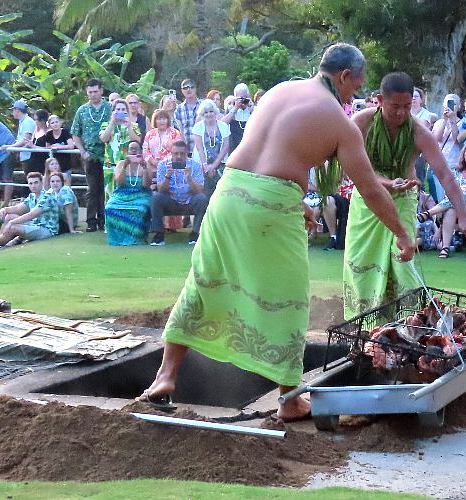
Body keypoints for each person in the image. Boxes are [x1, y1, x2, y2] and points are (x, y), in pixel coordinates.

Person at [136, 43, 416, 422]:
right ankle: (290, 399)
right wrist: (401, 233)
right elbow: (368, 187)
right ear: (344, 76)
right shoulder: (338, 120)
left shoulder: (280, 91)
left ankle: (165, 377)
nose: (356, 94)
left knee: (203, 280)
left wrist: (295, 198)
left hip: (229, 192)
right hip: (270, 203)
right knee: (291, 297)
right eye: (356, 84)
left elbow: (268, 152)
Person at [346, 71, 466, 315]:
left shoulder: (418, 131)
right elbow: (354, 169)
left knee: (402, 257)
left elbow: (445, 174)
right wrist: (386, 182)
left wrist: (464, 215)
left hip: (403, 199)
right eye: (395, 106)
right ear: (379, 101)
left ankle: (409, 324)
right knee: (361, 262)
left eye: (407, 106)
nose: (401, 113)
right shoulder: (360, 124)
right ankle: (362, 324)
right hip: (367, 198)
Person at [417, 145, 466, 258]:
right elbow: (448, 192)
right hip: (453, 205)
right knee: (451, 210)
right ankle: (445, 248)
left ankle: (429, 213)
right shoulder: (456, 173)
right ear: (463, 157)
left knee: (461, 195)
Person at [0, 172, 59, 255]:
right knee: (9, 217)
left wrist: (12, 223)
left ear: (41, 183)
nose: (33, 186)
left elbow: (31, 215)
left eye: (36, 182)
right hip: (35, 225)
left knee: (13, 227)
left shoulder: (47, 197)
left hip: (47, 230)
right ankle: (0, 244)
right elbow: (19, 208)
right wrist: (5, 209)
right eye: (30, 183)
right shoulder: (32, 196)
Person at [72, 78, 112, 232]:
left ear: (101, 91)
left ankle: (104, 219)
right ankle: (91, 221)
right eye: (90, 92)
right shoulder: (82, 110)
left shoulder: (109, 108)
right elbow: (75, 133)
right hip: (90, 156)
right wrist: (82, 151)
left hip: (108, 155)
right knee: (92, 188)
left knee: (106, 188)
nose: (93, 95)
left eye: (96, 91)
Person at [148, 141, 207, 246]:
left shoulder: (195, 165)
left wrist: (189, 178)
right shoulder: (163, 165)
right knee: (156, 197)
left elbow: (199, 190)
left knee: (201, 198)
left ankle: (196, 232)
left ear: (187, 153)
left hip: (189, 201)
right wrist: (168, 176)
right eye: (176, 153)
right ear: (171, 153)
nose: (179, 156)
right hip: (171, 201)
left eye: (182, 154)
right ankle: (159, 234)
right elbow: (160, 189)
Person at [105, 141, 152, 246]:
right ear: (127, 151)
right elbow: (120, 183)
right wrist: (125, 167)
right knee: (110, 207)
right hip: (122, 193)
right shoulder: (121, 163)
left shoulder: (146, 164)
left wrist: (144, 168)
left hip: (141, 193)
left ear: (141, 151)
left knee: (140, 209)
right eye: (131, 148)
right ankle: (116, 239)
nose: (134, 150)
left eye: (136, 148)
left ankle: (137, 237)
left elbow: (146, 185)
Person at [100, 98, 141, 205]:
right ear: (113, 111)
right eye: (118, 109)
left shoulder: (134, 125)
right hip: (110, 165)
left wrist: (129, 126)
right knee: (110, 195)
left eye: (123, 109)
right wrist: (112, 123)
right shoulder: (106, 125)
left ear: (127, 111)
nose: (120, 111)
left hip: (127, 165)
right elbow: (104, 138)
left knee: (127, 193)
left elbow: (137, 140)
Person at [192, 100, 230, 195]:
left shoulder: (224, 126)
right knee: (204, 193)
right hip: (202, 165)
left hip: (220, 165)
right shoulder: (197, 127)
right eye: (206, 112)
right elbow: (199, 148)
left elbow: (226, 147)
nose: (209, 114)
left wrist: (214, 166)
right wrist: (205, 166)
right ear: (202, 114)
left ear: (215, 112)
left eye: (211, 111)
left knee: (221, 192)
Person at [143, 109, 183, 178]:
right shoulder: (149, 134)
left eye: (164, 119)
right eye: (159, 119)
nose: (162, 121)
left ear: (168, 120)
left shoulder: (175, 133)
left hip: (171, 167)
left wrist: (164, 163)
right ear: (155, 121)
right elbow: (145, 150)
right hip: (153, 168)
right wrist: (153, 161)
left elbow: (179, 150)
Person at [3, 100, 36, 175]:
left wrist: (11, 146)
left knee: (31, 178)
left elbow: (25, 140)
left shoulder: (27, 122)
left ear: (17, 110)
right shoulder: (23, 121)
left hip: (29, 156)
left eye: (13, 110)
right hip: (25, 155)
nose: (12, 113)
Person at [322, 175, 354, 251]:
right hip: (340, 198)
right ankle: (333, 237)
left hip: (356, 197)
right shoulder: (335, 169)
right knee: (327, 201)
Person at [221, 82, 254, 154]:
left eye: (244, 98)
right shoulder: (230, 109)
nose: (242, 100)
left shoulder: (254, 109)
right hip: (234, 147)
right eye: (239, 98)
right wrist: (235, 109)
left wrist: (252, 110)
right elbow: (222, 124)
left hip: (250, 147)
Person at [174, 79, 204, 157]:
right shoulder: (179, 109)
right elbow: (179, 130)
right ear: (182, 91)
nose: (188, 90)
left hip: (203, 149)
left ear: (195, 89)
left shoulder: (203, 106)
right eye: (185, 88)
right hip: (186, 151)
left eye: (191, 87)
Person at [42, 114, 74, 184]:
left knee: (66, 186)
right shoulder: (49, 134)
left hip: (65, 164)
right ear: (49, 125)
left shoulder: (65, 132)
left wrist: (58, 147)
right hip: (53, 166)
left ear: (60, 122)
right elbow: (47, 147)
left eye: (56, 122)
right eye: (52, 123)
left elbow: (71, 146)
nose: (55, 124)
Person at [26, 109, 50, 176]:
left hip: (43, 162)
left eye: (36, 119)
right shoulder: (36, 130)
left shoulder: (49, 132)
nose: (35, 121)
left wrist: (34, 147)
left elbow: (48, 148)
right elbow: (32, 142)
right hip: (33, 161)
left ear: (42, 120)